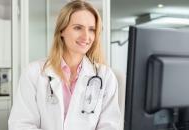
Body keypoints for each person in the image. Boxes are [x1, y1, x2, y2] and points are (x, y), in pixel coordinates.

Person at [8, 0, 121, 130]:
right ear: (62, 30)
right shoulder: (33, 73)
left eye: (92, 29)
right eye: (78, 28)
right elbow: (20, 125)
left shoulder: (105, 76)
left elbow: (110, 126)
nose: (86, 36)